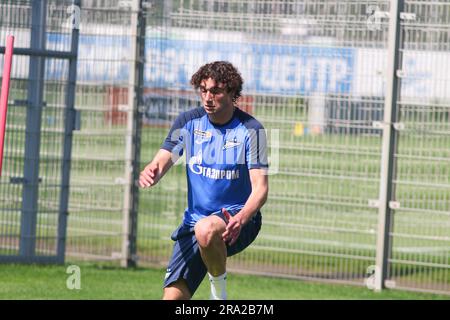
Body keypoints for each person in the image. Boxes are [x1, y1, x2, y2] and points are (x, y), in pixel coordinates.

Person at [139, 61, 269, 300]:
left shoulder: (251, 130)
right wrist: (152, 170)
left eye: (216, 91)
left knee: (207, 229)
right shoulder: (188, 122)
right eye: (203, 90)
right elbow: (162, 159)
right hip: (194, 223)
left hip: (238, 219)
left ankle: (219, 296)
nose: (208, 97)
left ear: (231, 93)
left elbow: (261, 189)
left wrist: (241, 218)